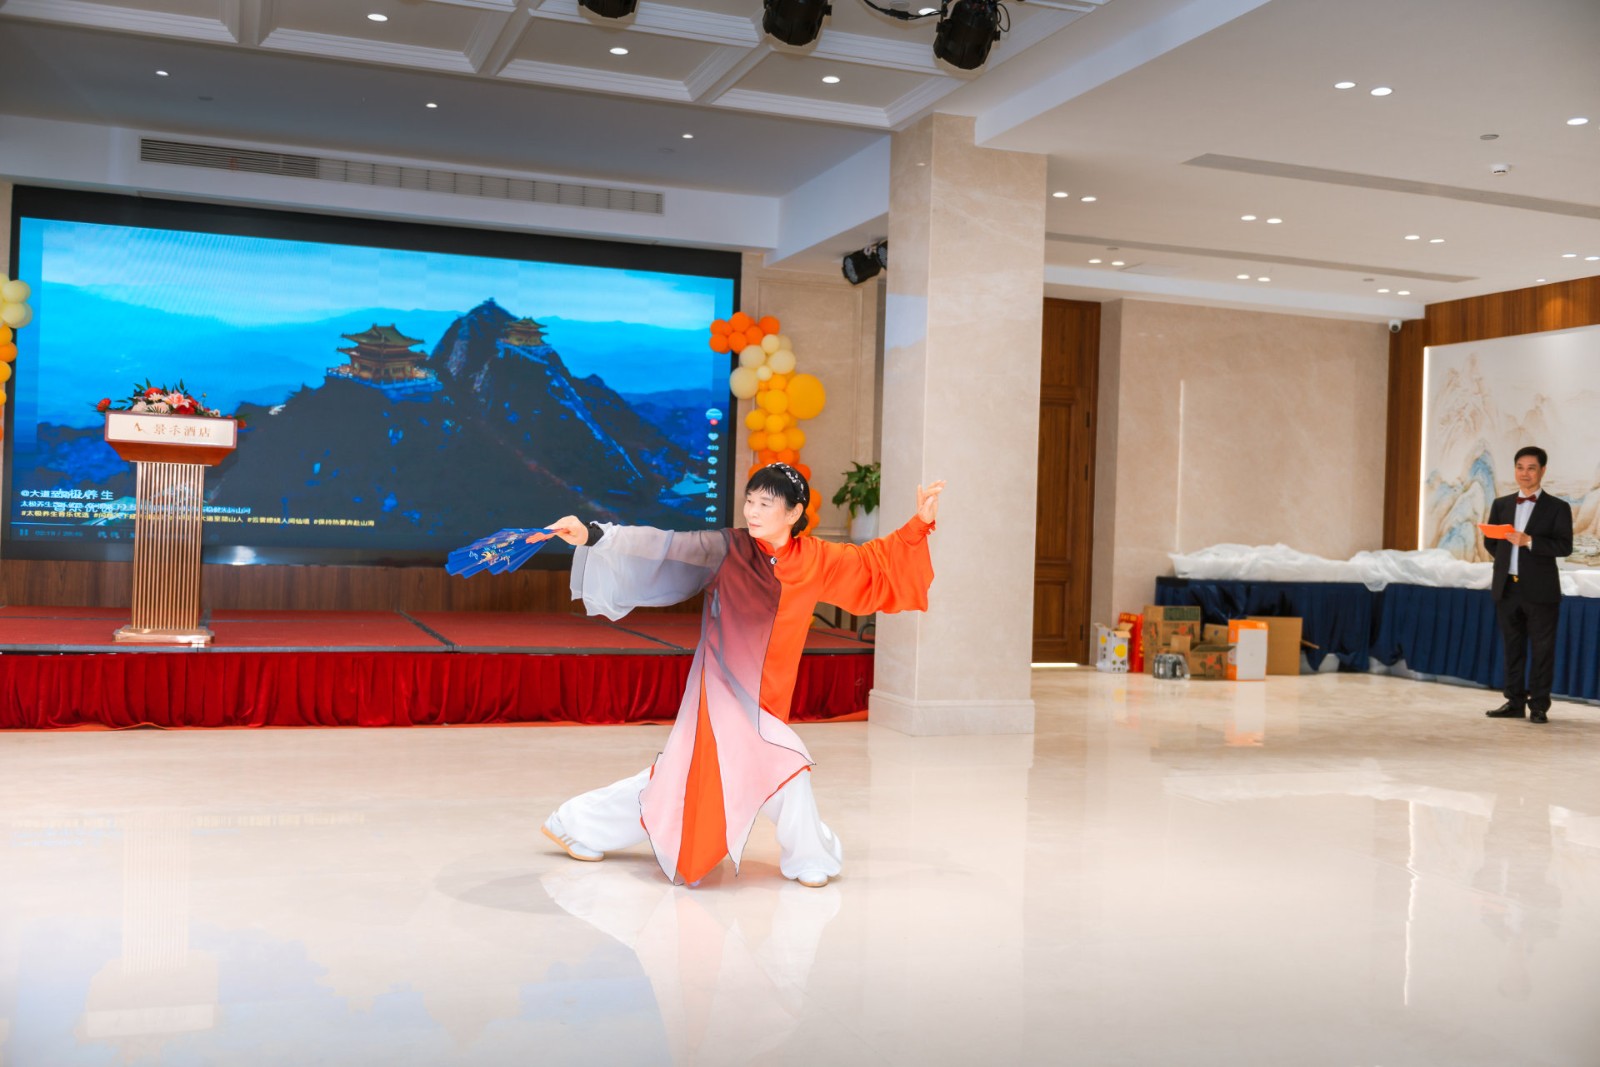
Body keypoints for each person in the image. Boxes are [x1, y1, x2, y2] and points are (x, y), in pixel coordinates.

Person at [532, 463, 944, 887]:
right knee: (787, 763)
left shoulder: (817, 559)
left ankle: (573, 822)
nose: (752, 511)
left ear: (794, 512)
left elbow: (874, 562)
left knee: (680, 783)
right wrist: (594, 534)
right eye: (750, 501)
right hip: (723, 691)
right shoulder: (728, 549)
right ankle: (810, 858)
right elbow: (666, 544)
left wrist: (920, 524)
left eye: (766, 503)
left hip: (770, 696)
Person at [1484, 446, 1573, 725]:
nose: (1525, 473)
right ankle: (1514, 702)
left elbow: (1564, 546)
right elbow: (1491, 542)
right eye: (1520, 467)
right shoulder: (1501, 504)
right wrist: (1506, 560)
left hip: (1540, 591)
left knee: (1543, 651)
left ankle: (1539, 706)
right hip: (1507, 588)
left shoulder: (1558, 507)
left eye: (1531, 468)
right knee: (1513, 648)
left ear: (1542, 471)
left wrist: (1530, 541)